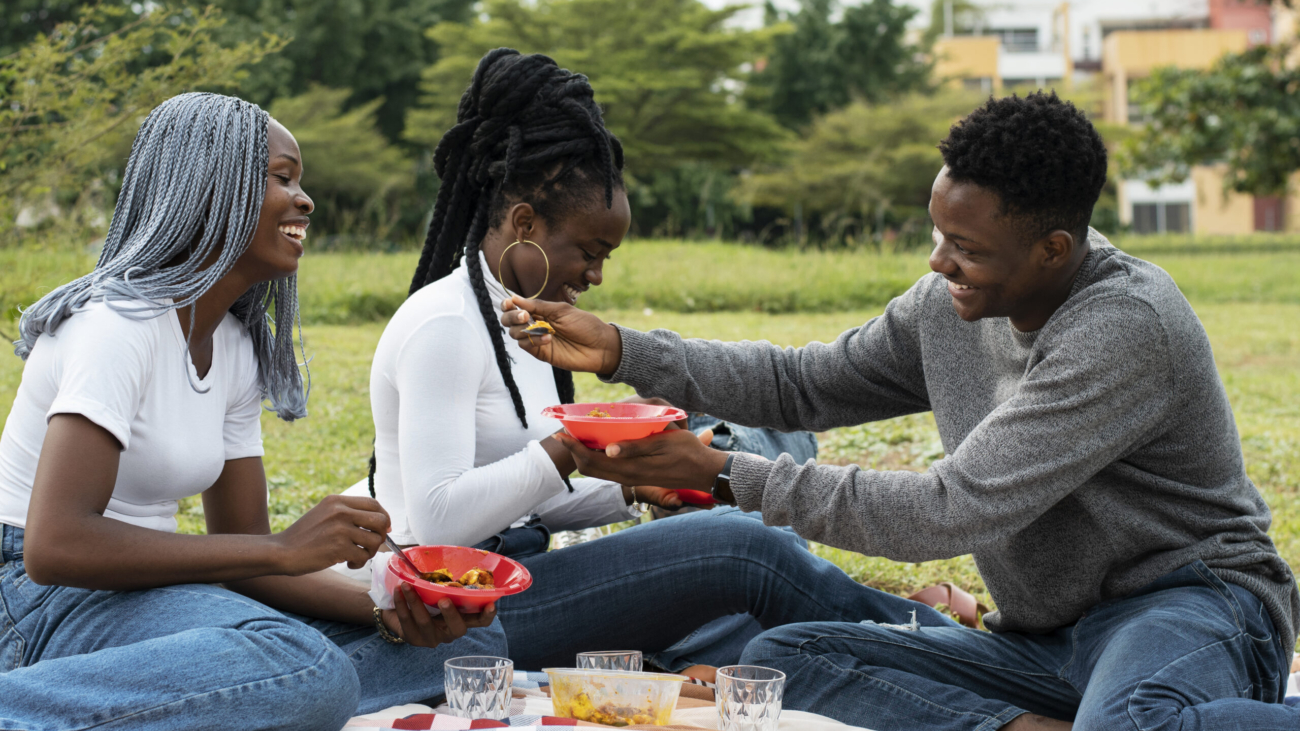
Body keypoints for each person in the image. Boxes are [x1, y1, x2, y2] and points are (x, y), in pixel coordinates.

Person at [500, 91, 1300, 730]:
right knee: (785, 657)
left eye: (968, 247)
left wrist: (725, 473)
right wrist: (621, 349)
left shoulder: (1124, 328)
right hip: (1046, 641)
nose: (938, 260)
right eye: (938, 231)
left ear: (1054, 249)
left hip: (1192, 600)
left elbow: (946, 512)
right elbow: (800, 384)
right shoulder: (945, 306)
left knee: (1137, 724)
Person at [349, 48, 917, 674]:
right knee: (743, 550)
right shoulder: (448, 325)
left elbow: (524, 498)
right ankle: (937, 648)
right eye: (589, 251)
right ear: (524, 222)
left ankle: (878, 643)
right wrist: (574, 442)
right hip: (464, 614)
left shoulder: (517, 315)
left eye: (606, 258)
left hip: (517, 574)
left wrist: (635, 489)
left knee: (750, 571)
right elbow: (441, 525)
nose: (594, 275)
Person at [0, 93, 503, 731]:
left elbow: (247, 557)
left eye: (301, 180)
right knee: (300, 666)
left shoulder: (233, 347)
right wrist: (280, 547)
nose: (306, 200)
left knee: (464, 646)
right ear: (213, 189)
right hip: (35, 597)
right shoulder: (116, 326)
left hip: (141, 589)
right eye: (282, 177)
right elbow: (55, 546)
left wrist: (388, 605)